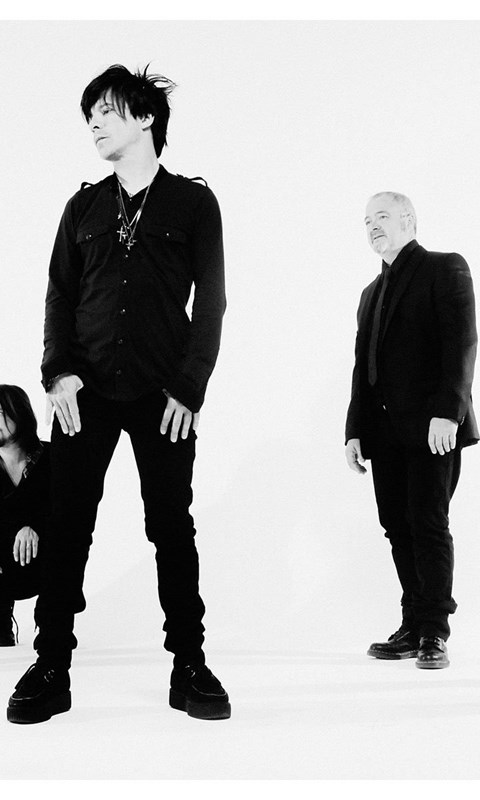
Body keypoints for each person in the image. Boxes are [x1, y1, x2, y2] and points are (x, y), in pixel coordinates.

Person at [7, 65, 229, 724]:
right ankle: (50, 665)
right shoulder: (82, 208)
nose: (95, 124)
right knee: (67, 526)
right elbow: (59, 296)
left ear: (145, 117)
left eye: (106, 111)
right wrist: (57, 374)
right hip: (85, 392)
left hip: (165, 394)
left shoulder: (193, 204)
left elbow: (212, 302)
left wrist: (189, 388)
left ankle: (190, 664)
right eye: (90, 117)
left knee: (171, 526)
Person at [345, 192, 478, 670]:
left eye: (381, 216)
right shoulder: (370, 293)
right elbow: (363, 367)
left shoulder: (445, 267)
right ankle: (413, 623)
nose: (372, 227)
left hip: (431, 428)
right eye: (367, 221)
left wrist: (449, 412)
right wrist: (354, 430)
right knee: (397, 526)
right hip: (384, 434)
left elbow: (462, 342)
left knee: (428, 523)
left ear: (409, 220)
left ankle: (434, 631)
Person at [0, 385, 50, 647]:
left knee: (69, 537)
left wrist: (33, 526)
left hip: (46, 555)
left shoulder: (52, 457)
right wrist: (18, 528)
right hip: (4, 557)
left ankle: (52, 623)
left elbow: (69, 509)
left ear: (19, 414)